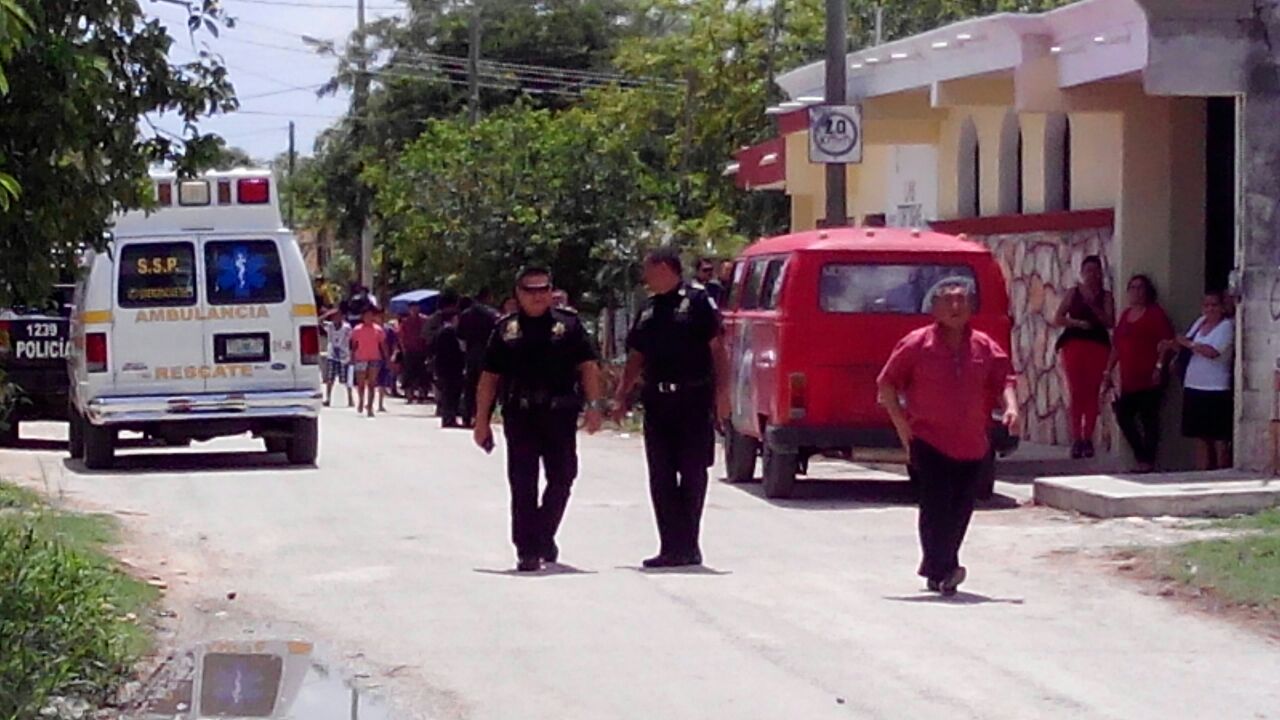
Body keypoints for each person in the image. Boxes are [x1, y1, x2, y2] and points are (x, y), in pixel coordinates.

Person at [877, 281, 1018, 597]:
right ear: (935, 308)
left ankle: (937, 569)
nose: (956, 307)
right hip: (929, 439)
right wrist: (901, 426)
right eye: (949, 301)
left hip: (972, 442)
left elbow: (1004, 379)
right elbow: (887, 383)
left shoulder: (983, 345)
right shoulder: (917, 343)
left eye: (962, 300)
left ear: (970, 308)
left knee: (961, 509)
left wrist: (1011, 407)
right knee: (936, 505)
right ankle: (945, 569)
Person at [474, 267, 604, 572]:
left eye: (543, 289)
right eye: (530, 290)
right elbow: (489, 377)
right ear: (518, 294)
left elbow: (588, 366)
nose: (537, 296)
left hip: (559, 413)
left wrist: (595, 406)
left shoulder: (568, 326)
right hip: (520, 415)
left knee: (564, 476)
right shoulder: (506, 330)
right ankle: (527, 549)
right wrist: (481, 421)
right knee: (523, 483)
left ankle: (543, 533)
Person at [613, 247, 730, 568]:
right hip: (657, 402)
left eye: (648, 270)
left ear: (665, 268)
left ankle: (688, 545)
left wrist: (723, 394)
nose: (645, 277)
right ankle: (669, 546)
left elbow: (718, 349)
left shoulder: (698, 301)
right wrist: (622, 395)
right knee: (661, 476)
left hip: (693, 400)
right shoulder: (649, 308)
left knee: (692, 473)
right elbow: (636, 355)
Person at [1104, 275, 1174, 472]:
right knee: (1123, 415)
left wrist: (1159, 367)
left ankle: (1147, 461)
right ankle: (1141, 456)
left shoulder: (1155, 314)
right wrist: (1108, 371)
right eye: (1132, 288)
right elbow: (1117, 346)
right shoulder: (1126, 315)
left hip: (1150, 378)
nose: (1136, 292)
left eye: (1140, 288)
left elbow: (1166, 343)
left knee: (1149, 419)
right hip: (1129, 379)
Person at [1161, 291, 1234, 470]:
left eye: (1214, 305)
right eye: (1206, 305)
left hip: (1216, 387)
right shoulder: (1200, 322)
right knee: (1200, 436)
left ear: (1222, 307)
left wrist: (1190, 344)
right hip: (1194, 385)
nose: (1210, 309)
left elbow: (1213, 352)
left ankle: (1222, 472)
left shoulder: (1226, 327)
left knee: (1219, 436)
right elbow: (1185, 344)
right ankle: (1202, 471)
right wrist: (1171, 345)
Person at [1053, 255, 1114, 459]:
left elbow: (1109, 321)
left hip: (1097, 345)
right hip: (1074, 344)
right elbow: (1058, 318)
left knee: (1092, 392)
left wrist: (1093, 305)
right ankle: (1076, 438)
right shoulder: (1073, 293)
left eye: (1096, 271)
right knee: (1076, 391)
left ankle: (1087, 437)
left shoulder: (1105, 296)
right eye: (1088, 271)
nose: (1092, 275)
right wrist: (1077, 323)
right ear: (1082, 273)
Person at [458, 288, 499, 426]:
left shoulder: (465, 314)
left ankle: (466, 416)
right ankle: (482, 417)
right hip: (487, 353)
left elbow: (460, 337)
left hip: (471, 353)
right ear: (488, 297)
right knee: (486, 386)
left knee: (470, 386)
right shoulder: (492, 314)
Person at [350, 306, 387, 418]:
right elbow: (353, 345)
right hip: (361, 358)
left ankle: (370, 406)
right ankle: (361, 400)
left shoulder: (378, 329)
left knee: (372, 384)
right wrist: (352, 357)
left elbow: (383, 344)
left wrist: (386, 357)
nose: (369, 318)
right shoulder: (357, 329)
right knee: (361, 384)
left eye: (370, 315)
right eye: (366, 315)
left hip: (374, 358)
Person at [434, 309, 466, 427]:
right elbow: (459, 349)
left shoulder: (439, 332)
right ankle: (449, 417)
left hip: (442, 367)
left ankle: (447, 417)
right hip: (452, 367)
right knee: (451, 393)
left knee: (446, 393)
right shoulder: (452, 332)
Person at [398, 301, 429, 404]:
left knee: (422, 374)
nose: (414, 310)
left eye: (416, 308)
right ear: (409, 310)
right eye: (412, 308)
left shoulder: (424, 320)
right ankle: (409, 396)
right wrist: (403, 350)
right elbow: (401, 336)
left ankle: (421, 396)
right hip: (409, 351)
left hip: (422, 351)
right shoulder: (405, 322)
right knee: (408, 374)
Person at [321, 310, 353, 408]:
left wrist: (351, 354)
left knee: (346, 379)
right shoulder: (330, 326)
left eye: (338, 316)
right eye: (334, 316)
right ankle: (328, 398)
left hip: (344, 355)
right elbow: (318, 321)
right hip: (332, 355)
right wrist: (327, 314)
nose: (336, 318)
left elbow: (351, 340)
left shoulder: (347, 327)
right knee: (330, 378)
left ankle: (350, 399)